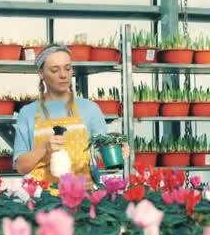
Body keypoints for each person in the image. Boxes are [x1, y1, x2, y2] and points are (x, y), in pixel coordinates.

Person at [13, 44, 129, 185]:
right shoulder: (28, 113)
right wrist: (43, 149)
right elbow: (20, 167)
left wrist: (116, 149)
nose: (63, 75)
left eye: (67, 68)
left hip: (83, 197)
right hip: (43, 198)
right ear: (41, 73)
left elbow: (100, 157)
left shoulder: (90, 109)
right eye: (55, 70)